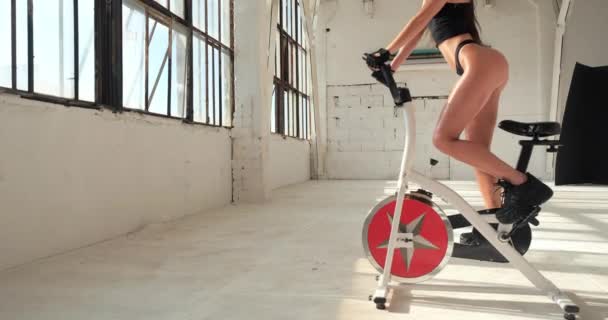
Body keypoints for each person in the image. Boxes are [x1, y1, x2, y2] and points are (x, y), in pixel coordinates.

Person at [363, 0, 553, 223]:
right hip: (487, 64)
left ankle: (523, 184)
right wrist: (392, 66)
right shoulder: (429, 3)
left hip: (479, 63)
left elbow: (419, 20)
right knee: (478, 154)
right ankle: (495, 227)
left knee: (442, 139)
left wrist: (385, 52)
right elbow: (418, 30)